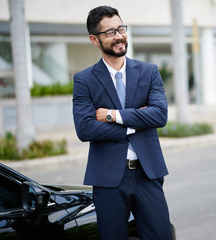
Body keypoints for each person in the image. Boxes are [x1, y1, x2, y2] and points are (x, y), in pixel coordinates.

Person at [72, 6, 173, 240]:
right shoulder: (84, 80)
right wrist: (137, 120)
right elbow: (85, 128)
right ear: (94, 39)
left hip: (149, 174)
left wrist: (112, 115)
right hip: (108, 180)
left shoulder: (149, 72)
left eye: (121, 28)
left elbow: (159, 116)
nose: (119, 36)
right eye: (110, 32)